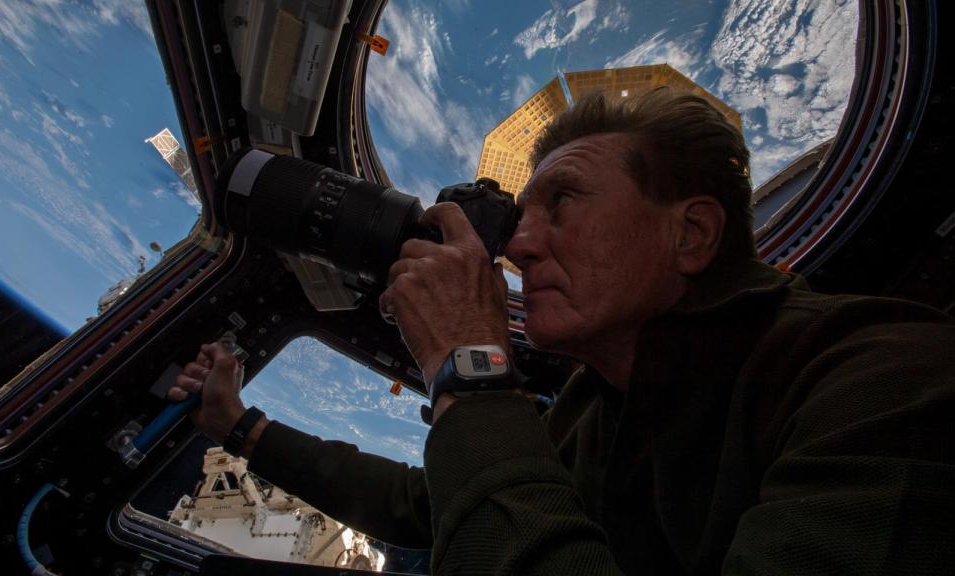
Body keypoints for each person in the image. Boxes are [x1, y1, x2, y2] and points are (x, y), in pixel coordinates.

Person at [169, 88, 955, 574]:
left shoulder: (884, 380)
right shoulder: (595, 409)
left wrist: (471, 371)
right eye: (521, 215)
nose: (516, 244)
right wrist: (244, 427)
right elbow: (430, 505)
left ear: (690, 236)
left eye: (565, 203)